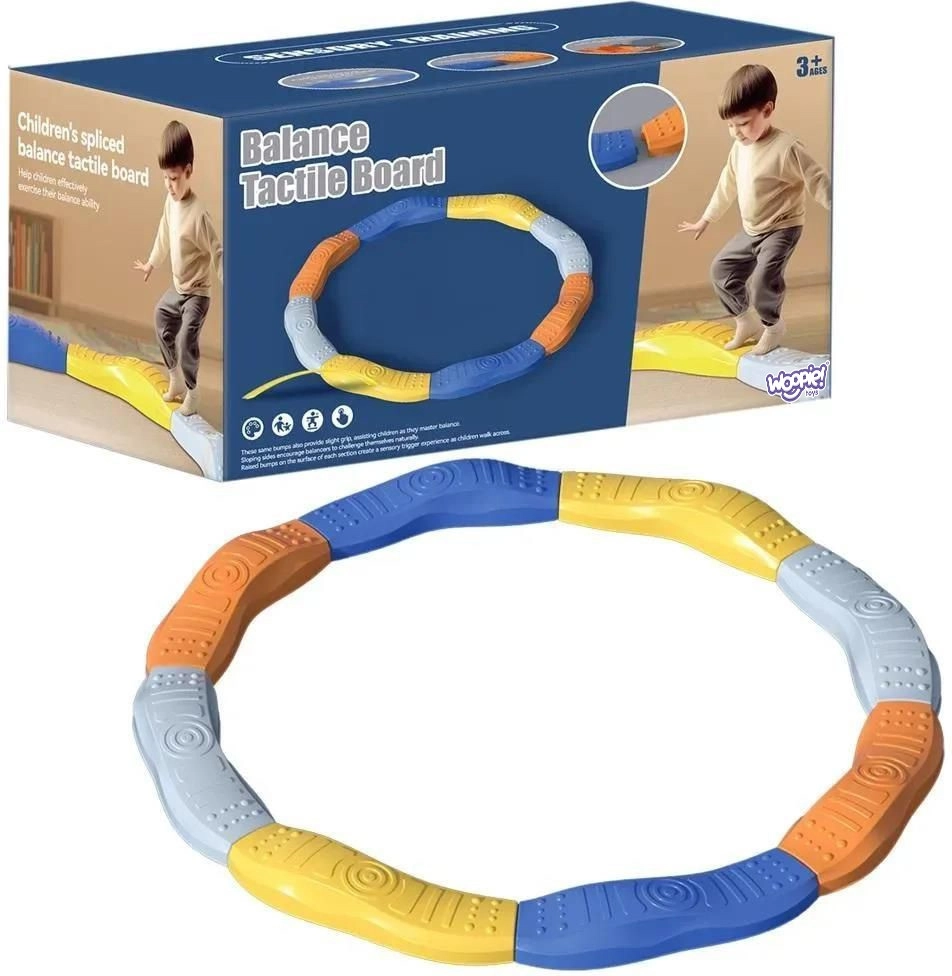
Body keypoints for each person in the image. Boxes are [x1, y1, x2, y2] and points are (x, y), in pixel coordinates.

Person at [678, 64, 830, 355]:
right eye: (730, 125)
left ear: (767, 110)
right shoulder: (740, 148)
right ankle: (745, 321)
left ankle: (773, 326)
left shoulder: (786, 148)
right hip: (752, 230)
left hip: (782, 228)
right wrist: (705, 219)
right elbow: (727, 184)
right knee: (721, 270)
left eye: (744, 123)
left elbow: (817, 179)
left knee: (762, 282)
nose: (736, 132)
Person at [133, 120, 222, 415]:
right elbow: (164, 233)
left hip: (197, 294)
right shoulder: (170, 203)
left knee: (186, 340)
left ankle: (193, 393)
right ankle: (176, 379)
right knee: (161, 317)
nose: (169, 186)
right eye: (165, 178)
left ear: (188, 171)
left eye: (174, 178)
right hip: (178, 289)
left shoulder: (199, 215)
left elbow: (217, 251)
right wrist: (151, 262)